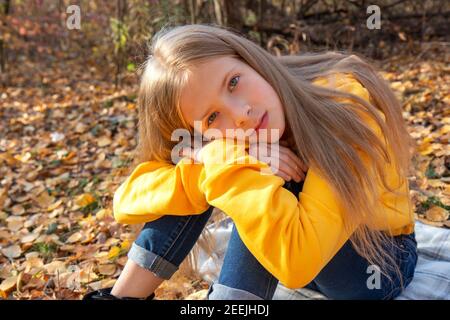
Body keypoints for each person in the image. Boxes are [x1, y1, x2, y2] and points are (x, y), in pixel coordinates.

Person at [83, 24, 417, 300]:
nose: (241, 113)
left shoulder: (344, 103)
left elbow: (297, 261)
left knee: (255, 181)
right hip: (304, 250)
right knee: (211, 172)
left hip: (375, 264)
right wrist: (216, 158)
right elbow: (125, 201)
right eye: (213, 116)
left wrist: (230, 161)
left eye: (233, 82)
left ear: (250, 59)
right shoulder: (226, 140)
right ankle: (123, 297)